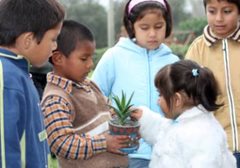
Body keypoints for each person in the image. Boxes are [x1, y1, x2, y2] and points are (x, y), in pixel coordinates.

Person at [91, 0, 179, 167]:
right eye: (144, 28)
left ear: (167, 25)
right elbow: (94, 96)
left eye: (158, 26)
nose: (152, 34)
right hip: (125, 153)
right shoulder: (114, 57)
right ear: (132, 27)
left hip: (167, 154)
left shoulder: (173, 62)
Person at [41, 20, 129, 168]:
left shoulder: (90, 85)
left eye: (91, 58)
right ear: (58, 59)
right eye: (83, 59)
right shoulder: (56, 98)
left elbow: (108, 114)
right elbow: (61, 144)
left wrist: (124, 125)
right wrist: (104, 143)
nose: (90, 64)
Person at [131, 60, 237, 168]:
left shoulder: (202, 134)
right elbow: (165, 134)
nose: (158, 101)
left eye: (161, 94)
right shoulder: (184, 123)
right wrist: (144, 118)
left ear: (177, 100)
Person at [0, 0, 64, 167]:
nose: (55, 46)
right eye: (53, 39)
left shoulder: (19, 73)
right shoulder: (6, 77)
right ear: (28, 40)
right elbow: (5, 151)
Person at [185, 0, 240, 166]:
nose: (219, 18)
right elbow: (188, 100)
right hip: (218, 150)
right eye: (212, 11)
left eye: (227, 11)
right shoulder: (197, 50)